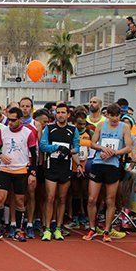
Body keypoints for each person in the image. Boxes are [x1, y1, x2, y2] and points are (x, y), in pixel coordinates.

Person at [83, 104, 133, 242]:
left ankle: (107, 230)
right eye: (112, 116)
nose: (115, 118)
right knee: (92, 199)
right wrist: (103, 149)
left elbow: (129, 147)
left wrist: (114, 152)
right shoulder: (101, 126)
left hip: (113, 165)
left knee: (110, 200)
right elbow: (92, 143)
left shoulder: (124, 127)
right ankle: (92, 228)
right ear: (107, 115)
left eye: (117, 116)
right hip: (98, 164)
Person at [0, 107, 38, 242]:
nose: (10, 122)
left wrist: (33, 172)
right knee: (0, 198)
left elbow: (34, 154)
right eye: (9, 119)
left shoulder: (28, 133)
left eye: (13, 120)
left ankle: (19, 229)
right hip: (4, 169)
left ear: (20, 119)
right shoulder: (3, 132)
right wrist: (1, 156)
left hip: (21, 170)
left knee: (20, 201)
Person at [39, 103, 81, 241]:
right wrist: (57, 148)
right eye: (58, 112)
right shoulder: (49, 128)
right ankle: (46, 228)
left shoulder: (73, 129)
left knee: (62, 199)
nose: (61, 115)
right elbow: (43, 145)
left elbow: (77, 148)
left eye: (63, 112)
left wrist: (69, 152)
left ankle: (58, 228)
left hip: (66, 167)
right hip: (52, 166)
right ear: (55, 114)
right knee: (50, 197)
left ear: (68, 115)